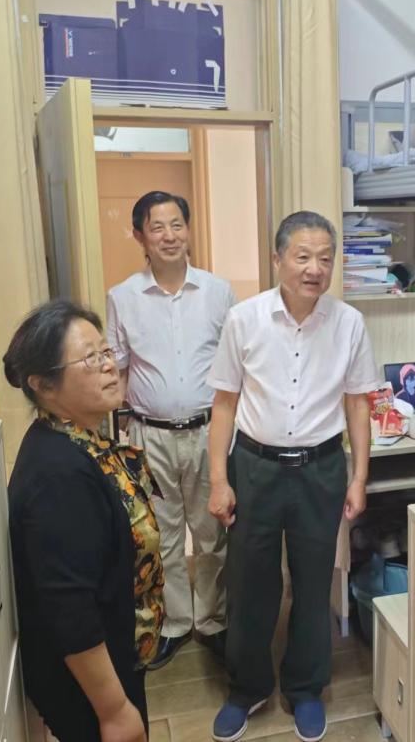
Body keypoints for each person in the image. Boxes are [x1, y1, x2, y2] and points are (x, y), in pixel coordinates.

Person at [206, 211, 379, 742]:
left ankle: (305, 688)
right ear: (278, 259)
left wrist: (359, 477)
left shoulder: (349, 323)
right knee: (250, 582)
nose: (315, 269)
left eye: (325, 258)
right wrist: (219, 479)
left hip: (320, 468)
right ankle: (247, 687)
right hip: (254, 466)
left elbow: (358, 405)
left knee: (313, 580)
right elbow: (224, 404)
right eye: (303, 257)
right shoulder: (244, 319)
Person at [4, 300, 165, 742]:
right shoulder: (58, 476)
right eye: (90, 359)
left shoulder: (79, 439)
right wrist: (114, 711)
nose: (109, 366)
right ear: (43, 385)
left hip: (115, 658)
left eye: (106, 352)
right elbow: (70, 609)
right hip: (92, 689)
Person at [107, 191, 236, 669]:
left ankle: (213, 621)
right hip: (150, 434)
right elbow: (119, 369)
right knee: (162, 536)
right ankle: (177, 623)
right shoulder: (123, 297)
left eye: (177, 224)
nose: (169, 235)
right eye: (157, 227)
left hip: (209, 432)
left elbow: (236, 367)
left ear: (189, 229)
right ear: (140, 236)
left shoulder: (218, 292)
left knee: (212, 532)